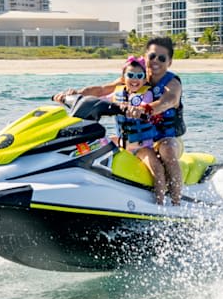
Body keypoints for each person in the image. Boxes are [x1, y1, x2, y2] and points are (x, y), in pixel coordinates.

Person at [53, 37, 186, 204]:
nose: (156, 61)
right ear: (145, 57)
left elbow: (169, 100)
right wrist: (76, 94)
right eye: (152, 56)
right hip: (137, 140)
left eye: (162, 58)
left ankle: (176, 202)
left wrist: (146, 108)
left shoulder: (172, 83)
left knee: (166, 150)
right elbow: (102, 90)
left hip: (166, 139)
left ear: (170, 62)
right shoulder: (133, 79)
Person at [105, 56, 167, 204]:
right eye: (131, 75)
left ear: (145, 79)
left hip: (142, 147)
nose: (135, 79)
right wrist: (77, 97)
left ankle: (161, 204)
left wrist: (138, 109)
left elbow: (146, 103)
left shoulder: (147, 94)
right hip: (122, 144)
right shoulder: (117, 94)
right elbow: (100, 100)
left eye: (139, 76)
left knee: (157, 170)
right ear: (123, 78)